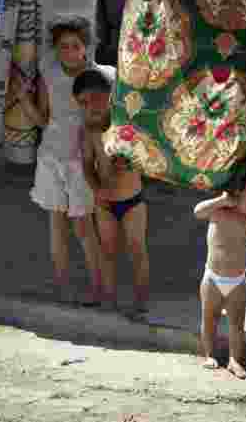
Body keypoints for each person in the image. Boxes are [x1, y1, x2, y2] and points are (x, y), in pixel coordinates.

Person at [14, 16, 104, 306]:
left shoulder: (100, 77)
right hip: (51, 157)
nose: (69, 52)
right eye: (63, 47)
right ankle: (63, 288)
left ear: (85, 47)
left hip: (81, 162)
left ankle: (98, 289)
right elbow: (43, 118)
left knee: (83, 227)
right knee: (56, 225)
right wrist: (23, 101)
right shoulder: (49, 72)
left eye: (75, 46)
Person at [74, 68, 150, 319]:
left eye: (96, 98)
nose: (91, 106)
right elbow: (86, 164)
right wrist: (96, 190)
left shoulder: (125, 123)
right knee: (107, 252)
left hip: (133, 201)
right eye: (84, 102)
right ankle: (109, 302)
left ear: (110, 96)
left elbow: (147, 156)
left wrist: (131, 163)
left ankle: (140, 304)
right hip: (104, 204)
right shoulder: (87, 131)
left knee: (137, 250)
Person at [193, 170, 246, 379]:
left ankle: (235, 360)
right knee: (209, 318)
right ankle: (209, 354)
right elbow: (198, 211)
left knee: (237, 324)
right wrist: (221, 199)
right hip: (212, 277)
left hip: (238, 280)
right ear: (237, 194)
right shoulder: (220, 209)